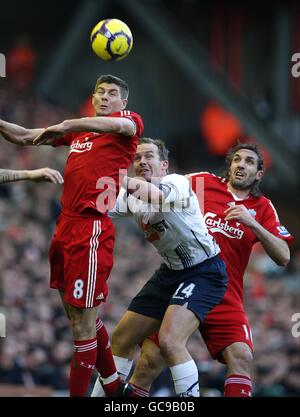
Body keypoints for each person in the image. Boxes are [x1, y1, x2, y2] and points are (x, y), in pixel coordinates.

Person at [92, 142, 293, 397]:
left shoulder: (263, 208)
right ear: (229, 165)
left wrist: (253, 223)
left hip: (222, 288)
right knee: (149, 362)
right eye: (237, 159)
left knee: (241, 356)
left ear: (259, 173)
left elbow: (284, 256)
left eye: (249, 162)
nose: (241, 165)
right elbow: (162, 187)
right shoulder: (201, 182)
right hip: (180, 278)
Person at [0, 74, 144, 397]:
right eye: (100, 92)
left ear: (124, 103)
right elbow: (25, 136)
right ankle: (114, 391)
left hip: (91, 229)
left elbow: (117, 127)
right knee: (80, 318)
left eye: (112, 94)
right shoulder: (80, 131)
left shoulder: (129, 123)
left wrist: (66, 124)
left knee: (82, 326)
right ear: (92, 99)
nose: (105, 97)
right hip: (65, 227)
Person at [94, 137, 228, 397]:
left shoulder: (176, 183)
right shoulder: (130, 196)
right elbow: (95, 206)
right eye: (137, 158)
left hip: (205, 270)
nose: (142, 162)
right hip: (170, 272)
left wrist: (116, 174)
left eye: (149, 157)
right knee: (121, 337)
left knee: (169, 340)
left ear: (164, 165)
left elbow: (155, 196)